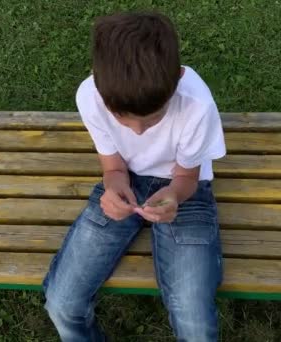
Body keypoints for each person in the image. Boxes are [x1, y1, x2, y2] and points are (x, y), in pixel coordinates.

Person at [42, 11, 226, 341]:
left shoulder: (196, 105)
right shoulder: (91, 96)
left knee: (194, 322)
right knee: (62, 302)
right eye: (124, 120)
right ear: (100, 87)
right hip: (127, 181)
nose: (138, 131)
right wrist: (114, 188)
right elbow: (113, 168)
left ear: (177, 81)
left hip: (185, 190)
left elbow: (186, 178)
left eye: (152, 120)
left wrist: (174, 198)